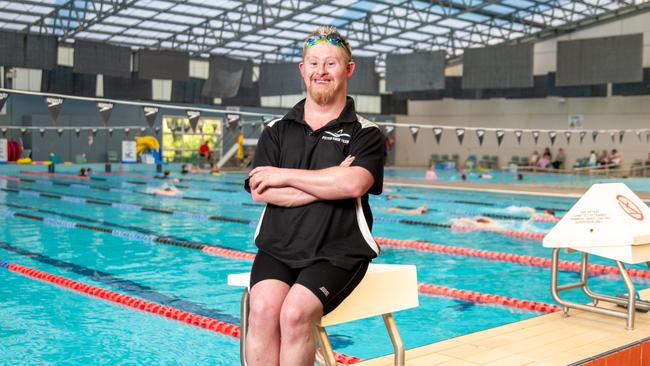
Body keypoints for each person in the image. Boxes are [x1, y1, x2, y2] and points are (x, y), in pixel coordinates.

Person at [244, 27, 385, 366]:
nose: (321, 72)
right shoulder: (277, 129)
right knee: (262, 310)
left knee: (294, 314)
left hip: (338, 252)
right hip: (279, 247)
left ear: (348, 69)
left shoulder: (366, 133)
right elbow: (261, 191)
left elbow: (352, 186)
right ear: (302, 68)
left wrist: (285, 175)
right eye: (314, 63)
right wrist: (328, 181)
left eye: (331, 64)